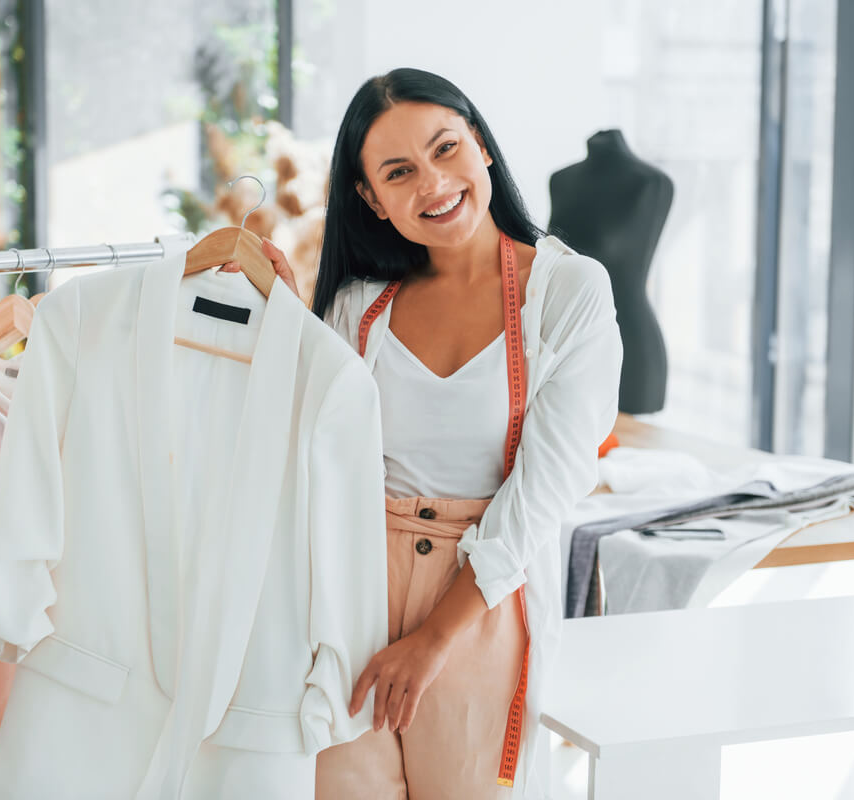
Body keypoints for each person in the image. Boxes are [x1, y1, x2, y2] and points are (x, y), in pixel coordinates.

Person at [222, 67, 622, 798]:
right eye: (399, 172)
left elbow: (547, 487)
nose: (433, 183)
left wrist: (434, 639)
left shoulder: (568, 291)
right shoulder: (357, 307)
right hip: (350, 591)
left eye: (445, 149)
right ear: (371, 199)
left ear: (482, 147)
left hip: (482, 598)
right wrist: (281, 322)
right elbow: (310, 453)